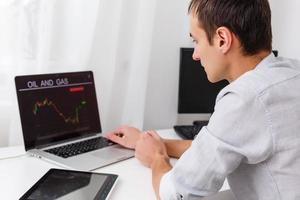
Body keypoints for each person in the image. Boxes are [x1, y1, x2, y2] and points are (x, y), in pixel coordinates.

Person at [106, 0, 300, 199]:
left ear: (222, 39)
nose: (195, 55)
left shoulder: (244, 98)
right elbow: (219, 148)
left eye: (196, 41)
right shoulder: (292, 71)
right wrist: (152, 142)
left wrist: (156, 158)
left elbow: (175, 193)